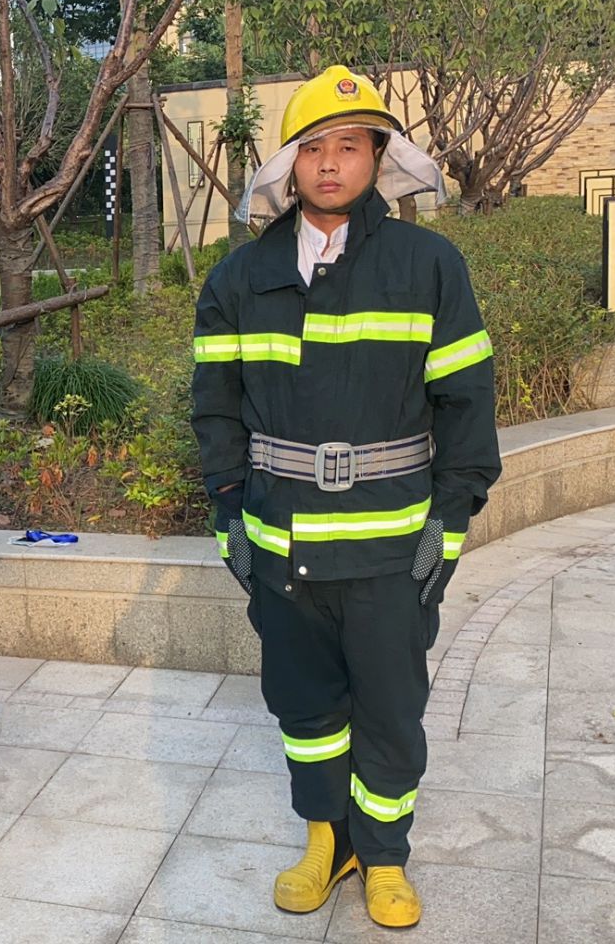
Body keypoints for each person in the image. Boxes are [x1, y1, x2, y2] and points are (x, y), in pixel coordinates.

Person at [191, 66, 501, 928]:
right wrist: (228, 512)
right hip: (281, 542)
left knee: (391, 710)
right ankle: (326, 841)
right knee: (305, 708)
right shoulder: (240, 278)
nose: (329, 164)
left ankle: (385, 856)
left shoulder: (427, 265)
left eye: (349, 147)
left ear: (377, 159)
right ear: (288, 165)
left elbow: (466, 402)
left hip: (389, 545)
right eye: (313, 148)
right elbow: (214, 407)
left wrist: (449, 522)